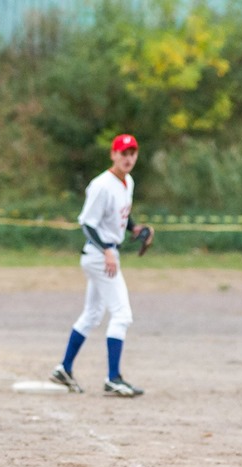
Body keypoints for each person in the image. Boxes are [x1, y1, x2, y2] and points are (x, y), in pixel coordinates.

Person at [49, 133, 154, 397]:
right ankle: (113, 378)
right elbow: (87, 223)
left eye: (132, 153)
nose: (128, 158)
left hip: (104, 254)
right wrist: (107, 249)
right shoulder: (101, 185)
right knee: (122, 314)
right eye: (123, 153)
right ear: (113, 155)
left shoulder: (127, 182)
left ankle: (64, 369)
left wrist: (134, 228)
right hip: (100, 256)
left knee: (93, 314)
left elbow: (121, 214)